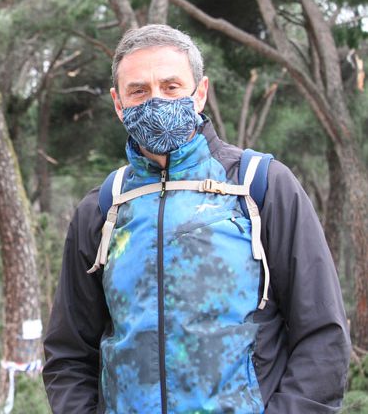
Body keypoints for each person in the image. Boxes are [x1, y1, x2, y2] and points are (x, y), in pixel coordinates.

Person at [43, 24, 351, 413]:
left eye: (171, 87)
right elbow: (69, 353)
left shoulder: (260, 187)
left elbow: (322, 335)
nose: (155, 101)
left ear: (200, 92)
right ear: (118, 104)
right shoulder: (104, 208)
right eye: (138, 91)